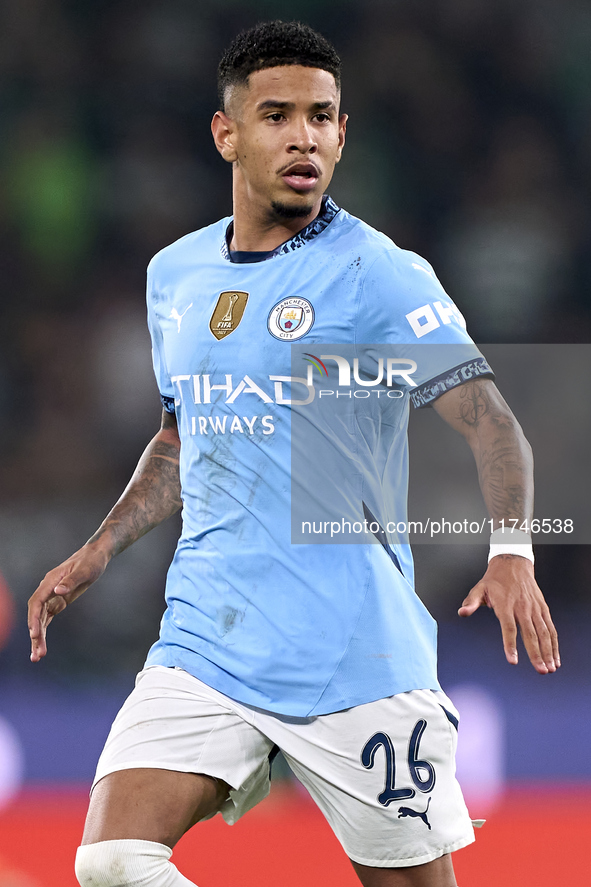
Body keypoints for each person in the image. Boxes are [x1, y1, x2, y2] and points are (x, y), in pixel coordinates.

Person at [28, 20, 559, 887]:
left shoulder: (379, 275)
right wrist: (99, 547)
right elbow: (180, 434)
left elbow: (492, 420)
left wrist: (512, 551)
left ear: (343, 135)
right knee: (114, 860)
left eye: (322, 116)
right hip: (208, 638)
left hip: (352, 652)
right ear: (226, 132)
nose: (303, 135)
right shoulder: (177, 274)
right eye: (277, 114)